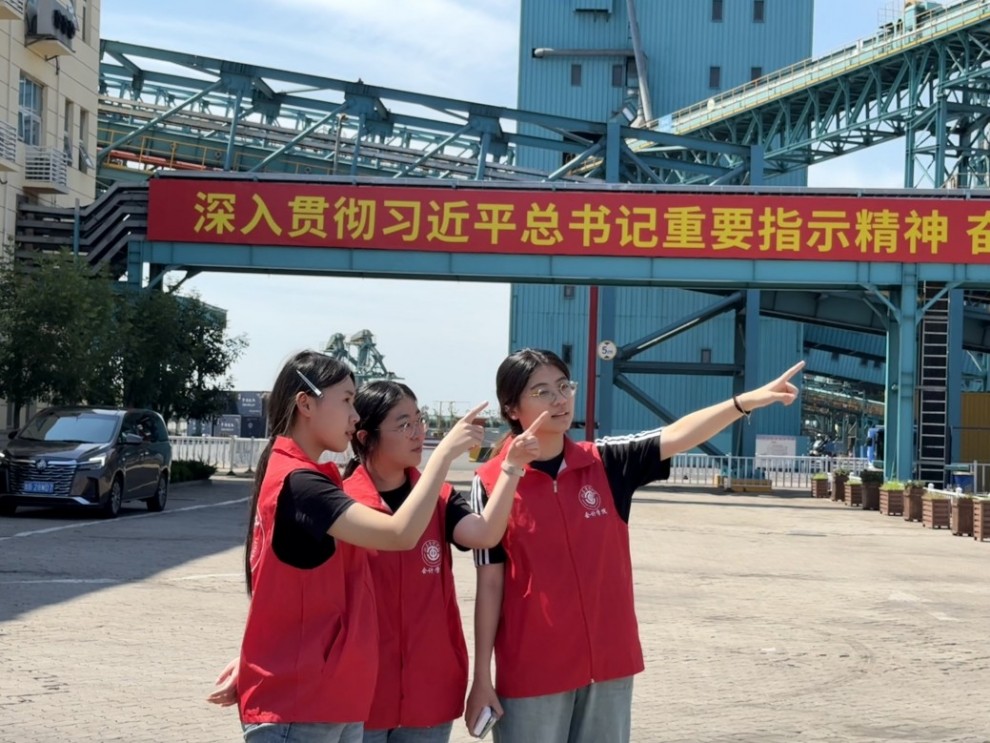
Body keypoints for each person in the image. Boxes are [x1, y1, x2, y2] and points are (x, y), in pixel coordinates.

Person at [464, 349, 804, 743]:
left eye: (564, 386)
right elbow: (490, 584)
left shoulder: (604, 463)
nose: (559, 400)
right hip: (533, 672)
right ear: (511, 408)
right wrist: (481, 678)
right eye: (542, 392)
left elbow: (678, 434)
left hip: (609, 666)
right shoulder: (490, 482)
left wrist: (746, 401)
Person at [209, 350, 485, 743]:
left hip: (332, 698)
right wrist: (442, 455)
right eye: (346, 400)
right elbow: (399, 534)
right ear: (306, 404)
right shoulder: (300, 484)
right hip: (300, 702)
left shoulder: (310, 479)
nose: (355, 416)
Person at [341, 380, 547, 743]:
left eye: (419, 420)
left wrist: (512, 467)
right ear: (364, 437)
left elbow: (485, 534)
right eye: (404, 424)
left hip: (428, 693)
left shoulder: (441, 498)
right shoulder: (340, 503)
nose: (418, 432)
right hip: (359, 694)